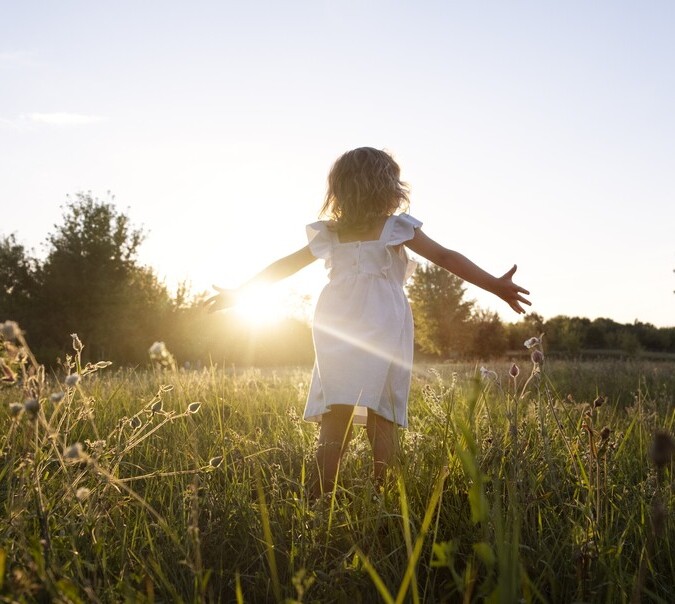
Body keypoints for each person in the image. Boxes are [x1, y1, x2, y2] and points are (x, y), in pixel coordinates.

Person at [205, 147, 531, 497]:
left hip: (336, 323)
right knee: (383, 411)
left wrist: (241, 293)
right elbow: (445, 256)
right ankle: (382, 496)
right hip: (384, 320)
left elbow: (286, 265)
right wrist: (494, 285)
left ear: (340, 189)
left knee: (337, 409)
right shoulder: (395, 227)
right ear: (388, 186)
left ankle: (318, 499)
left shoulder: (332, 232)